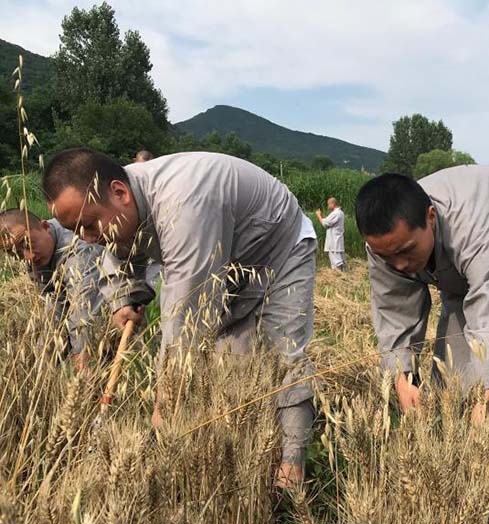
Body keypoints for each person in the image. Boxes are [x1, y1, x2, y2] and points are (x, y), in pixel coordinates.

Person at [42, 148, 318, 488]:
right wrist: (124, 296)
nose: (87, 237)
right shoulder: (114, 202)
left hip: (280, 248)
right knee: (230, 363)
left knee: (282, 355)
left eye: (88, 224)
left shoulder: (184, 202)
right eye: (75, 230)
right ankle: (242, 455)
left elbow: (186, 310)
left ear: (120, 193)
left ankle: (292, 470)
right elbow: (119, 249)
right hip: (226, 261)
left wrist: (166, 397)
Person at [355, 165, 489, 424]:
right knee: (452, 371)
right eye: (386, 256)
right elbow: (393, 313)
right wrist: (402, 377)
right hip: (465, 262)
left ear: (431, 217)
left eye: (406, 250)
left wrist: (487, 399)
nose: (399, 265)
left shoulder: (475, 224)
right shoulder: (384, 245)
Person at [0, 208, 104, 370]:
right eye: (16, 254)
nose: (28, 257)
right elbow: (55, 304)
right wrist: (42, 359)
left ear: (45, 226)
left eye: (27, 244)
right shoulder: (38, 256)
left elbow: (83, 312)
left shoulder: (78, 250)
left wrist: (83, 363)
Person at [315, 197, 346, 270]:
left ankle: (339, 277)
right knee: (338, 260)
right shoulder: (340, 213)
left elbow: (325, 223)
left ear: (333, 204)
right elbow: (327, 221)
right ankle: (342, 276)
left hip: (334, 242)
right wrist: (322, 217)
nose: (328, 207)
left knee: (336, 263)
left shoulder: (336, 213)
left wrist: (318, 215)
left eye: (328, 204)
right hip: (336, 241)